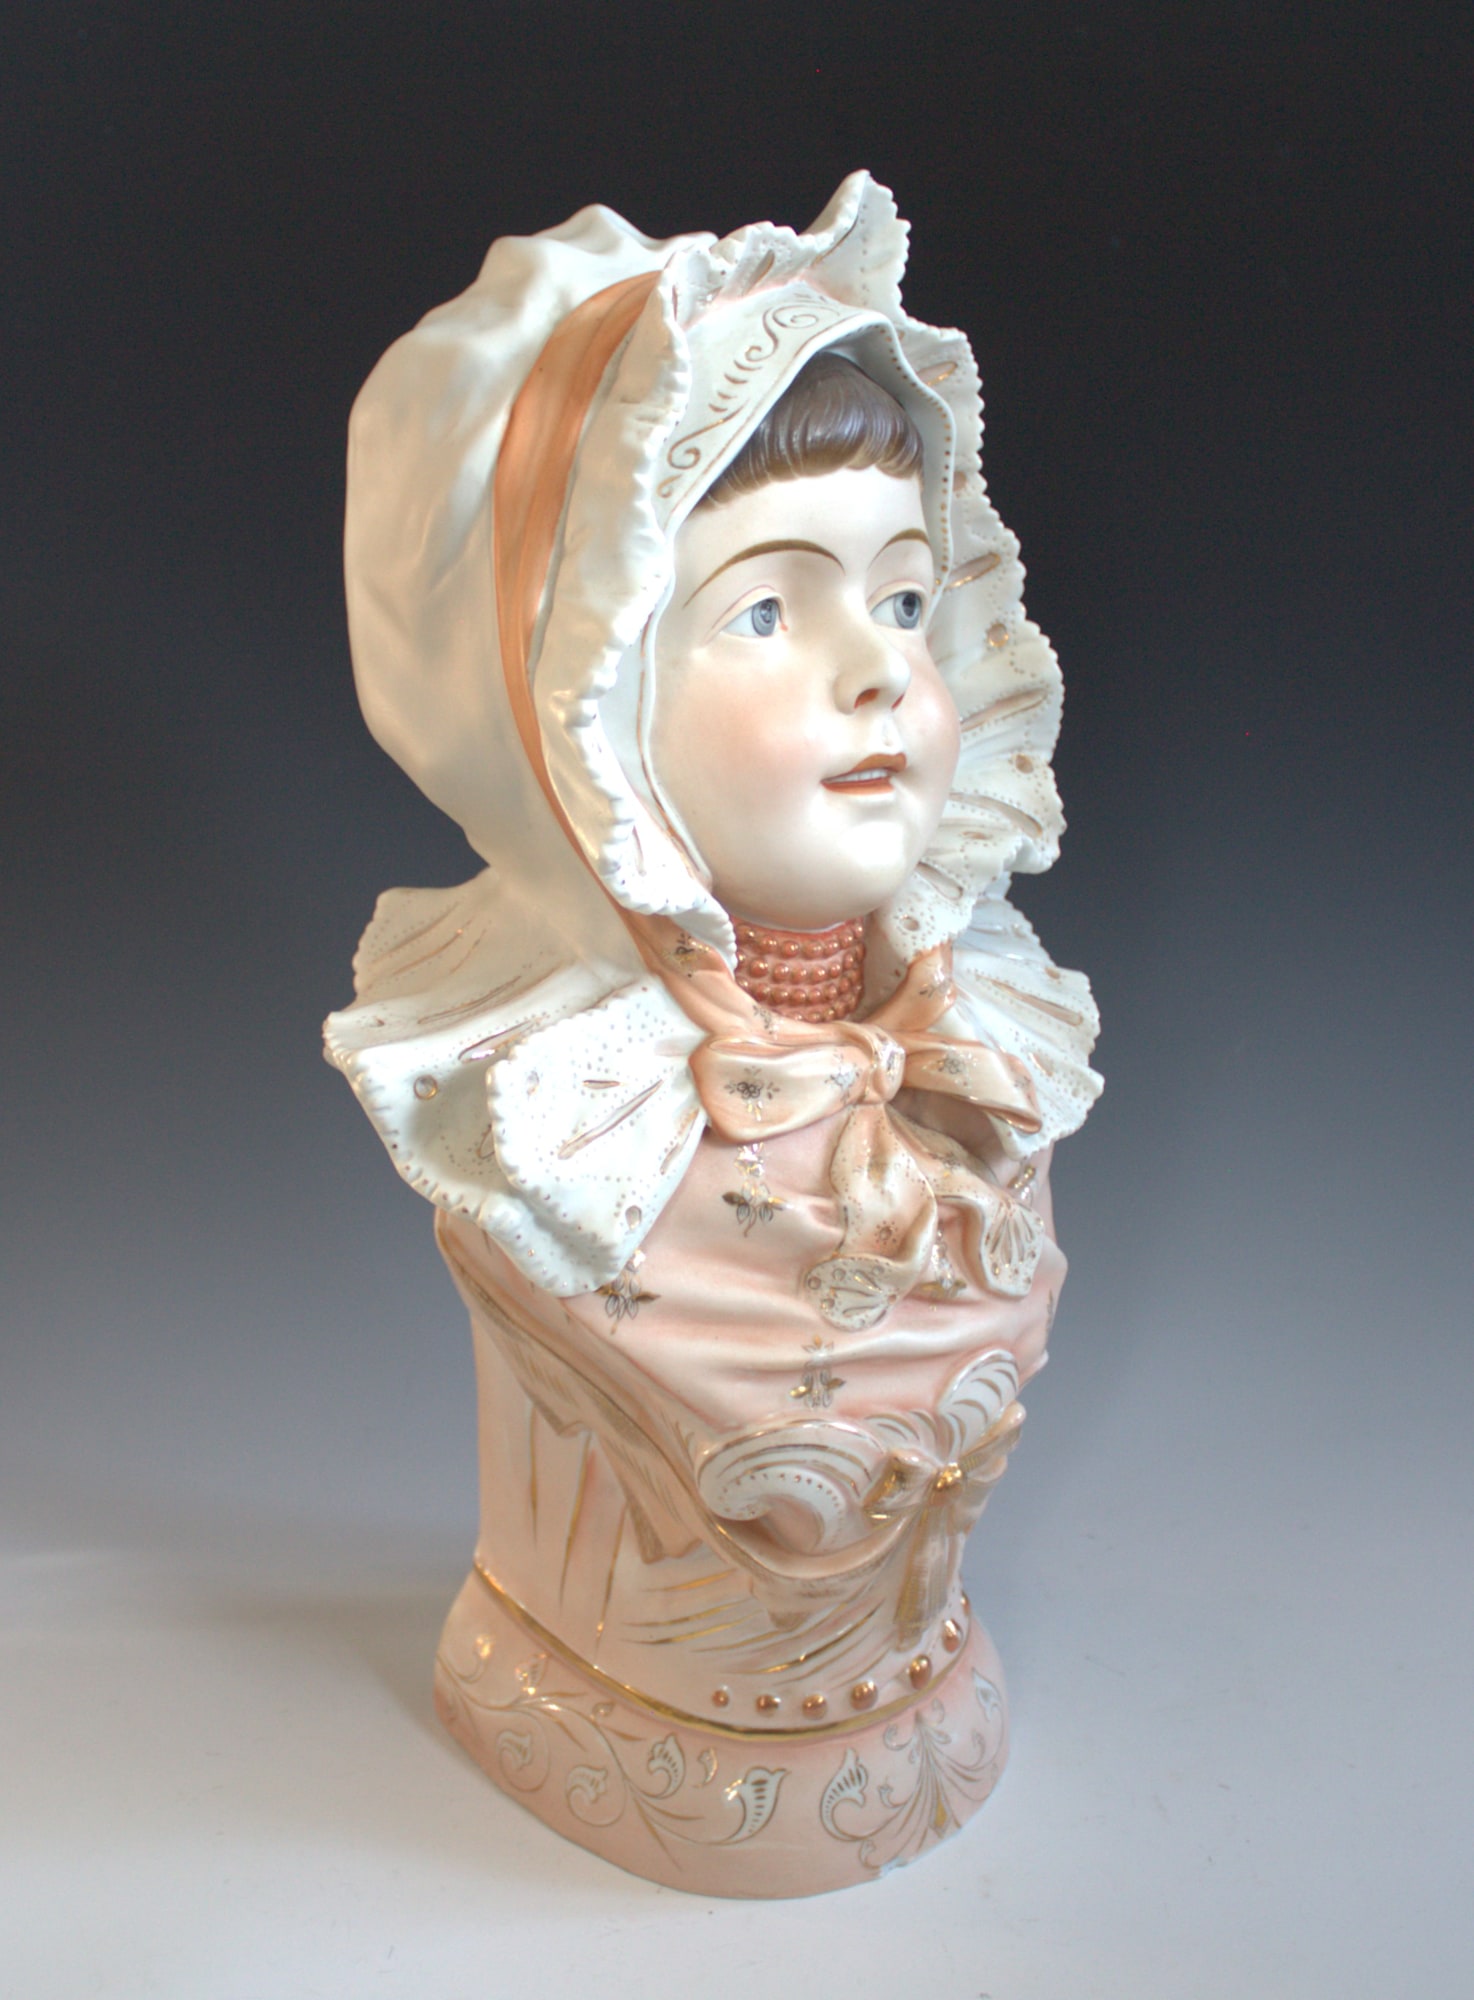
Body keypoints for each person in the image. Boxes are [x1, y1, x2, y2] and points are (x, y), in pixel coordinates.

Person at [325, 174, 1101, 1893]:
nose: (876, 672)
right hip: (644, 1723)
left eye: (904, 602)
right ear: (572, 710)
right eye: (765, 611)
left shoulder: (980, 1053)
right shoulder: (562, 1126)